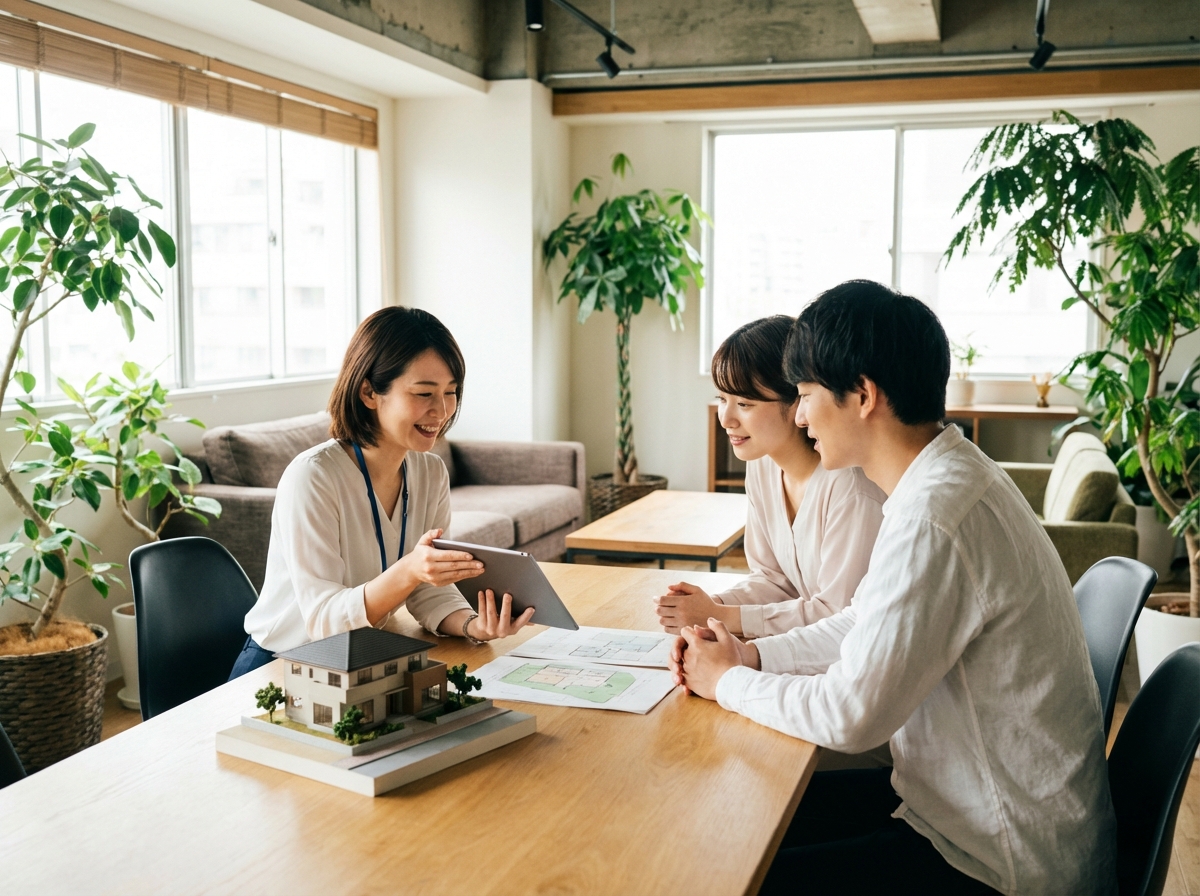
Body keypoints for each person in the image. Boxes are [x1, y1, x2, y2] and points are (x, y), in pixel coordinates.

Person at [669, 280, 1116, 895]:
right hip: (960, 811)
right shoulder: (945, 478)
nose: (799, 416)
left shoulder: (935, 518)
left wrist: (728, 681)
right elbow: (860, 620)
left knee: (729, 870)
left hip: (997, 859)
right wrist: (749, 654)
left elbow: (852, 716)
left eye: (803, 396)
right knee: (728, 835)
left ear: (862, 395)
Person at [230, 306, 534, 679]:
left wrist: (474, 626)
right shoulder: (313, 477)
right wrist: (409, 571)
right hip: (284, 662)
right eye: (424, 393)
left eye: (451, 392)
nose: (440, 411)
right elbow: (324, 620)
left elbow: (429, 592)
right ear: (369, 392)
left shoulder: (430, 472)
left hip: (365, 654)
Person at [653, 315, 884, 638]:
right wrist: (710, 607)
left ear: (797, 402)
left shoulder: (850, 486)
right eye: (722, 399)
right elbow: (774, 580)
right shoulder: (762, 464)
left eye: (744, 404)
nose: (726, 419)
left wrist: (722, 616)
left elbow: (839, 616)